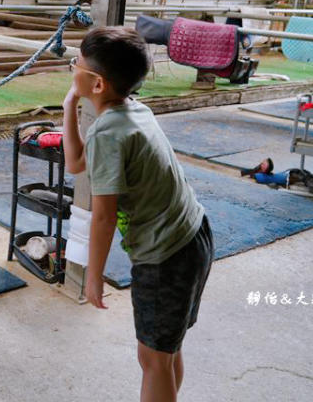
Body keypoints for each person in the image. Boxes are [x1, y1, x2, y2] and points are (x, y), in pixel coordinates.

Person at [61, 26, 214, 402]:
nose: (72, 67)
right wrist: (69, 107)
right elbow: (75, 163)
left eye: (77, 64)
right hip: (192, 236)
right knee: (165, 351)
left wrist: (92, 277)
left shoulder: (109, 135)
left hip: (166, 255)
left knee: (153, 358)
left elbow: (103, 216)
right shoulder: (134, 110)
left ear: (97, 84)